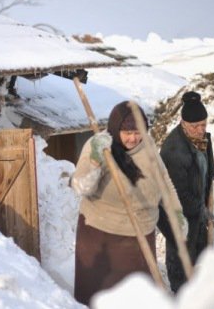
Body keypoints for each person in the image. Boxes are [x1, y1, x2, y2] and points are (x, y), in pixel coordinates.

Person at [70, 101, 184, 306]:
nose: (133, 138)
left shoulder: (146, 144)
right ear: (115, 128)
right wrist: (96, 160)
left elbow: (163, 180)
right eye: (127, 132)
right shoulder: (99, 146)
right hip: (103, 238)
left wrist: (176, 212)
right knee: (104, 300)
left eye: (137, 132)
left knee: (138, 301)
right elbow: (81, 187)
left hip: (142, 236)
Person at [158, 91, 214, 293]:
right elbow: (179, 193)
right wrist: (202, 211)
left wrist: (211, 170)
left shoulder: (201, 138)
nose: (201, 130)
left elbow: (205, 160)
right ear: (183, 123)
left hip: (197, 210)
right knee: (182, 258)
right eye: (195, 126)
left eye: (204, 124)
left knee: (200, 258)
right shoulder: (173, 150)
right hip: (179, 215)